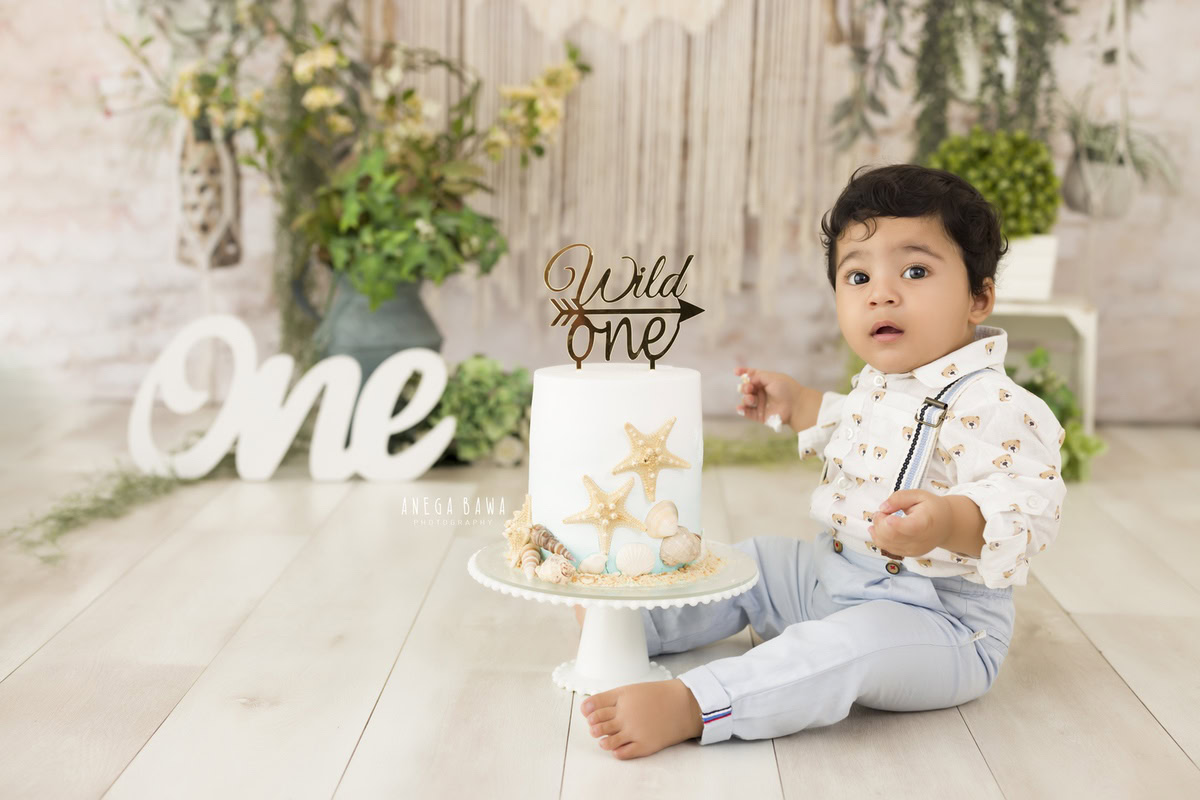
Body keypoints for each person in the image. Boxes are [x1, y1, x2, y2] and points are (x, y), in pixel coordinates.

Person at [573, 163, 1068, 760]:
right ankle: (640, 627)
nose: (882, 292)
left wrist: (945, 521)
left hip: (938, 623)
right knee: (751, 564)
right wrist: (796, 403)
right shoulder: (883, 384)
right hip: (831, 579)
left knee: (841, 650)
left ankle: (697, 704)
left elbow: (1027, 508)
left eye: (915, 270)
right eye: (857, 276)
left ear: (979, 295)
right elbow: (844, 422)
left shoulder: (1000, 406)